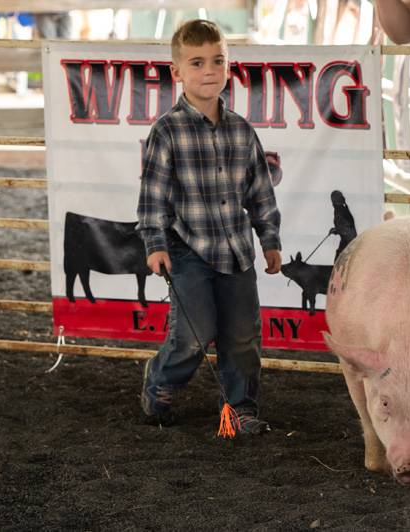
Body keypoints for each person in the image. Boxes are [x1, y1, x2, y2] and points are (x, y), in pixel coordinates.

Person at [136, 19, 282, 434]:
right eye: (197, 63)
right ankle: (161, 380)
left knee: (242, 336)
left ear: (229, 66)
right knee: (193, 333)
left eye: (218, 60)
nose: (209, 71)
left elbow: (260, 193)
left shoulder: (241, 130)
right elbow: (153, 197)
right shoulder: (166, 131)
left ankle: (240, 408)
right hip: (186, 251)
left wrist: (269, 239)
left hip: (236, 250)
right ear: (177, 73)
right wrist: (154, 243)